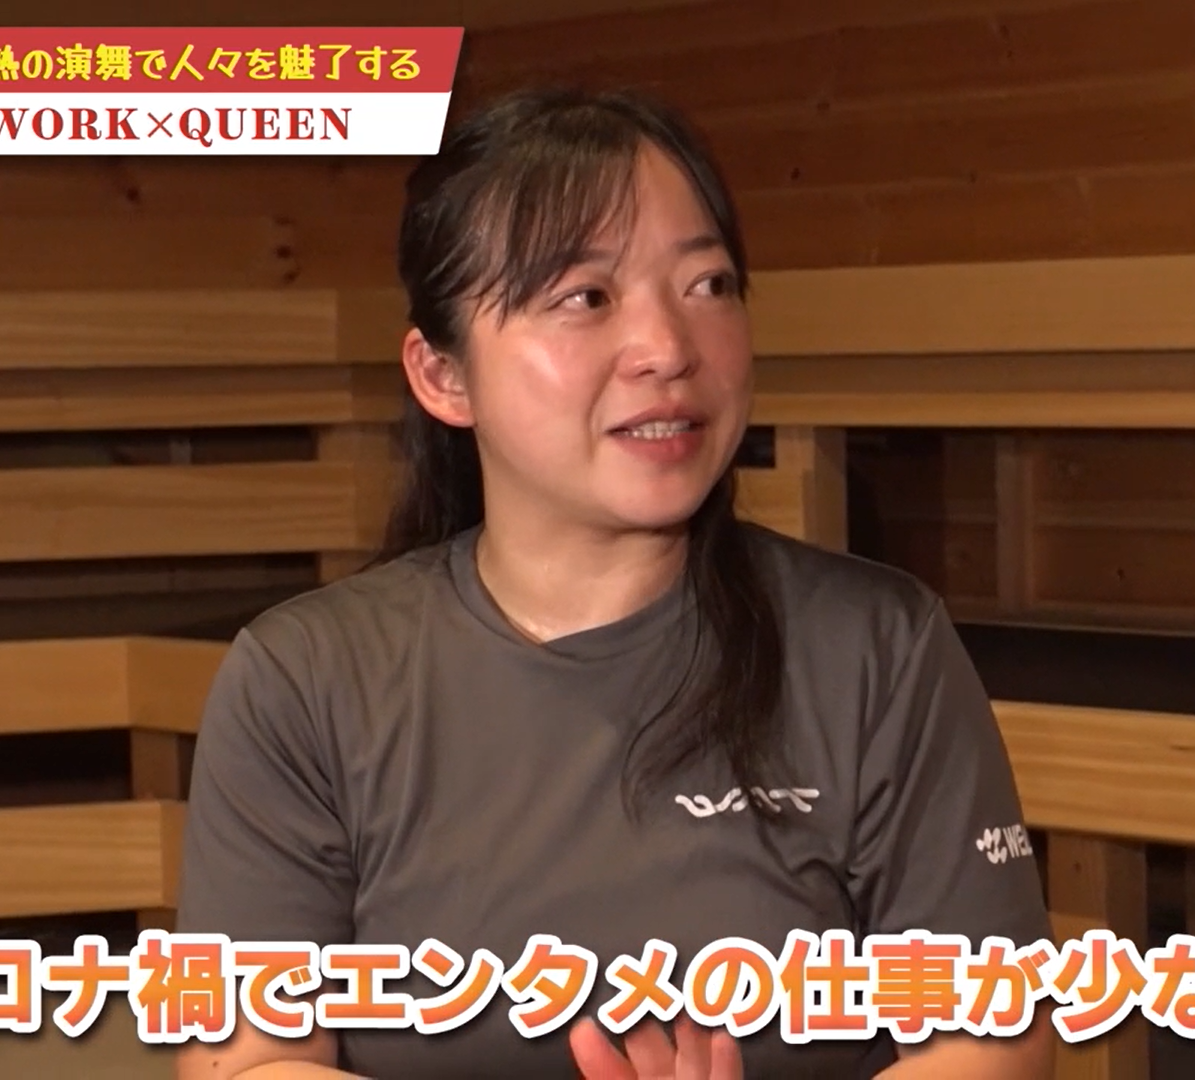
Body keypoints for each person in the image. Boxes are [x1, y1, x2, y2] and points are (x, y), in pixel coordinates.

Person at [175, 85, 1055, 1079]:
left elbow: (990, 1038)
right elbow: (245, 1061)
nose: (669, 349)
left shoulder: (878, 647)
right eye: (586, 298)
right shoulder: (303, 682)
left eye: (708, 285)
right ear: (443, 376)